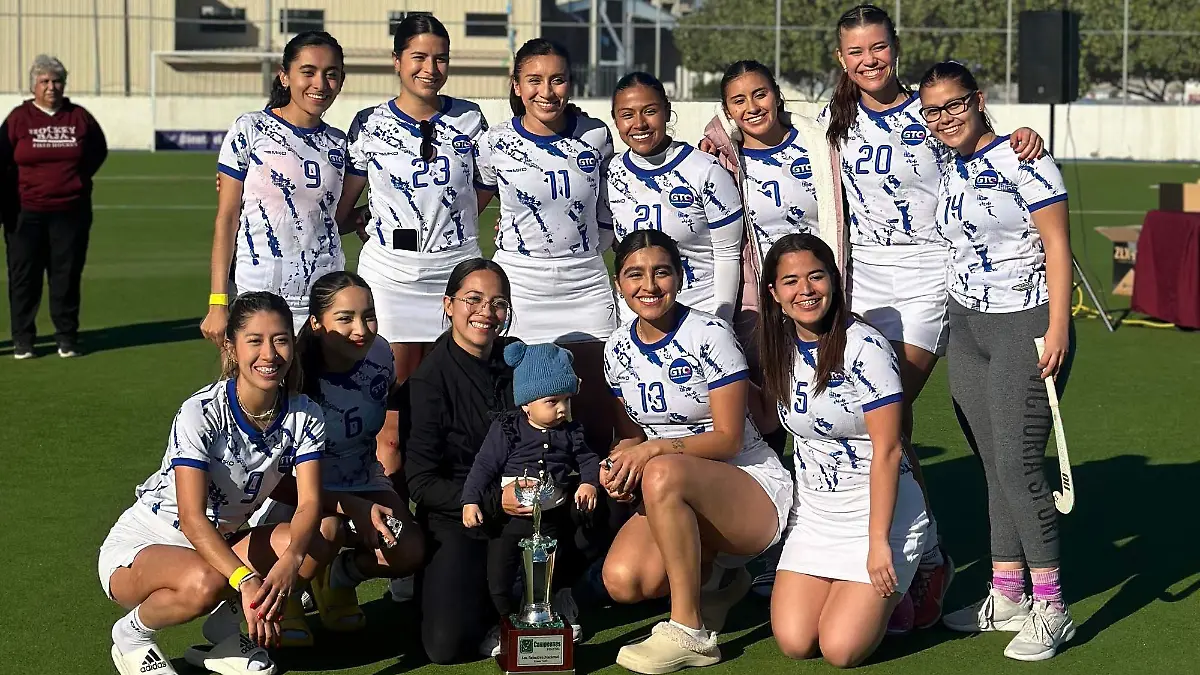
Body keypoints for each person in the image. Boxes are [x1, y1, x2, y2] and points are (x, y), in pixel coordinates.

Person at [820, 3, 1045, 631]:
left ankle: (926, 557)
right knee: (878, 425)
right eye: (856, 51)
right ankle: (898, 551)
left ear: (896, 47)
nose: (869, 61)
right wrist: (721, 138)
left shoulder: (928, 110)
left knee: (884, 415)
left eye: (879, 47)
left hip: (928, 277)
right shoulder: (831, 118)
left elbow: (986, 145)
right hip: (860, 281)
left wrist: (1023, 138)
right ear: (841, 59)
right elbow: (771, 142)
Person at [918, 61, 1076, 661]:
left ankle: (1052, 605)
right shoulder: (945, 162)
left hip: (1027, 323)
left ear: (979, 100)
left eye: (955, 104)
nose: (945, 118)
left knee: (1018, 464)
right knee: (991, 463)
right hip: (968, 326)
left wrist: (1057, 325)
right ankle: (1008, 592)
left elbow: (1058, 244)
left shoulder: (1025, 157)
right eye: (933, 110)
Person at [97, 292, 341, 675]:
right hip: (148, 544)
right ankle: (133, 636)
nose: (270, 354)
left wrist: (292, 560)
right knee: (206, 579)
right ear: (231, 347)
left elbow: (310, 504)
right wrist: (246, 581)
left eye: (280, 339)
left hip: (220, 544)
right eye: (255, 341)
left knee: (322, 533)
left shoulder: (305, 413)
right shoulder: (200, 412)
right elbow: (193, 520)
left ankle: (224, 631)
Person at [601, 230, 793, 674]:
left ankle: (691, 632)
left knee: (663, 472)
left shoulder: (710, 333)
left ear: (680, 277)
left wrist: (651, 453)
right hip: (671, 481)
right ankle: (718, 581)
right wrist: (618, 463)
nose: (649, 286)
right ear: (619, 284)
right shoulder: (616, 348)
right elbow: (632, 435)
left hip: (747, 482)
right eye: (635, 275)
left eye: (661, 272)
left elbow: (727, 438)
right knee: (624, 581)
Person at [699, 58, 847, 596]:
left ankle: (869, 535)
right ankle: (779, 540)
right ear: (727, 110)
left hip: (825, 298)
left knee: (838, 414)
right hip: (764, 307)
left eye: (758, 95)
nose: (751, 108)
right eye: (738, 101)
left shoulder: (818, 142)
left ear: (776, 95)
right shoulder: (722, 158)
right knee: (772, 421)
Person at [757, 233, 929, 668]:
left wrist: (877, 544)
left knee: (840, 649)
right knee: (796, 642)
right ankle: (861, 597)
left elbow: (890, 449)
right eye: (791, 281)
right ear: (774, 293)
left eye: (816, 277)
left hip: (880, 514)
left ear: (834, 281)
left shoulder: (865, 347)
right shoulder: (776, 346)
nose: (806, 290)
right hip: (818, 514)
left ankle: (923, 566)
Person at [337, 13, 490, 498]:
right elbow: (343, 203)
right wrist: (362, 220)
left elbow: (485, 187)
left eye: (440, 58)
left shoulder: (472, 119)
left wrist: (449, 226)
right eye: (419, 57)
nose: (430, 68)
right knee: (391, 422)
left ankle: (452, 521)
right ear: (397, 61)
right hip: (391, 278)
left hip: (455, 274)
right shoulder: (369, 123)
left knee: (456, 410)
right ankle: (398, 541)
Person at [476, 37, 618, 460]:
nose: (546, 91)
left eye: (557, 80)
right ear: (516, 85)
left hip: (584, 281)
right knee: (528, 409)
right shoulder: (494, 142)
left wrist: (593, 250)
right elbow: (472, 209)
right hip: (522, 282)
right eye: (534, 80)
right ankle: (532, 500)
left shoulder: (596, 135)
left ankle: (596, 499)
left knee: (595, 399)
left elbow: (608, 208)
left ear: (570, 84)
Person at [285, 271, 425, 635]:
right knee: (325, 530)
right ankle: (289, 593)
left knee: (408, 550)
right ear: (316, 323)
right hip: (297, 489)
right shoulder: (293, 376)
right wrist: (350, 508)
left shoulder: (380, 353)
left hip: (360, 474)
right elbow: (278, 475)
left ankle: (339, 578)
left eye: (368, 315)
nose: (361, 329)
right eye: (345, 318)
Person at [403, 259, 522, 663]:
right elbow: (420, 483)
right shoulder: (428, 380)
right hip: (459, 515)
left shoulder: (517, 359)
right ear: (448, 304)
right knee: (446, 645)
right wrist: (489, 502)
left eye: (498, 303)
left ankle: (559, 590)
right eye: (474, 300)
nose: (486, 312)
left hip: (523, 504)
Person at [201, 31, 348, 342]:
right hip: (259, 294)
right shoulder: (250, 129)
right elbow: (227, 219)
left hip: (324, 298)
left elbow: (330, 218)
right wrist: (218, 302)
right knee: (262, 386)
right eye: (308, 72)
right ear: (285, 77)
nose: (320, 84)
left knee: (318, 390)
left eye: (330, 74)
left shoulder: (340, 142)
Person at [462, 340, 601, 648]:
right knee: (499, 577)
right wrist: (470, 500)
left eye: (567, 399)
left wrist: (588, 482)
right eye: (553, 401)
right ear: (526, 402)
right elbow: (483, 466)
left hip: (552, 519)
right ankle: (504, 624)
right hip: (510, 521)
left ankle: (554, 613)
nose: (563, 408)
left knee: (548, 574)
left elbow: (588, 459)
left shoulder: (571, 431)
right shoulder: (508, 429)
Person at [603, 72, 744, 326]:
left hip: (698, 315)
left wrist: (721, 323)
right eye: (627, 115)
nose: (639, 123)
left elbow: (727, 254)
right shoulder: (610, 173)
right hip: (635, 320)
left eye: (650, 111)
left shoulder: (705, 169)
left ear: (667, 111)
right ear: (615, 120)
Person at [1, 54, 107, 359]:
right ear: (33, 85)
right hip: (24, 214)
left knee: (66, 276)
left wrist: (73, 179)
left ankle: (66, 337)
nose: (51, 87)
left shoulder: (78, 117)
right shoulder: (18, 119)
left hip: (70, 212)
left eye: (57, 81)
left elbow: (97, 151)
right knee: (24, 278)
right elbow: (2, 159)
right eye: (44, 81)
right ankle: (23, 339)